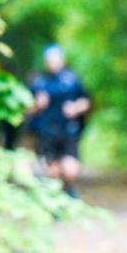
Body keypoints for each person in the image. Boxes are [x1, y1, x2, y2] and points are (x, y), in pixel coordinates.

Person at [27, 44, 91, 198]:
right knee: (52, 172)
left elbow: (86, 101)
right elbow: (26, 109)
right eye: (50, 60)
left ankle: (68, 188)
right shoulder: (38, 83)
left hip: (68, 131)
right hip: (46, 132)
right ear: (45, 62)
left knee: (70, 170)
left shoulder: (72, 81)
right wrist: (37, 105)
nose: (53, 63)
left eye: (56, 60)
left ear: (62, 60)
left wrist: (75, 108)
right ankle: (58, 200)